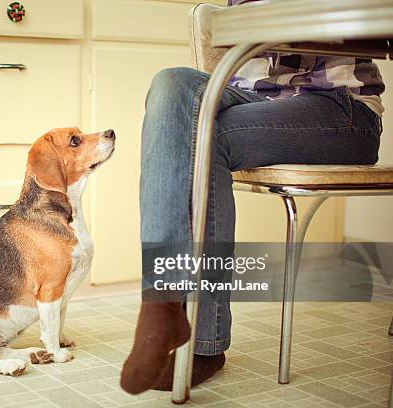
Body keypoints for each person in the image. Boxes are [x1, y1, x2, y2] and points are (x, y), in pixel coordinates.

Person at [119, 0, 384, 395]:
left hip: (338, 107)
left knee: (204, 141)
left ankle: (201, 341)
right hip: (252, 99)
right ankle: (163, 302)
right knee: (172, 82)